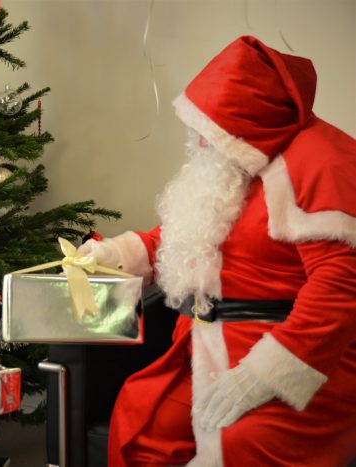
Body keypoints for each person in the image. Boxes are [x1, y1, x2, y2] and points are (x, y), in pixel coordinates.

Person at [79, 36, 356, 466]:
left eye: (211, 129)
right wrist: (114, 254)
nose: (199, 141)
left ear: (245, 122)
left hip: (299, 358)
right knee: (143, 427)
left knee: (244, 444)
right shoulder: (229, 163)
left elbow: (340, 288)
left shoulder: (322, 161)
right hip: (201, 346)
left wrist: (264, 376)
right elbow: (187, 234)